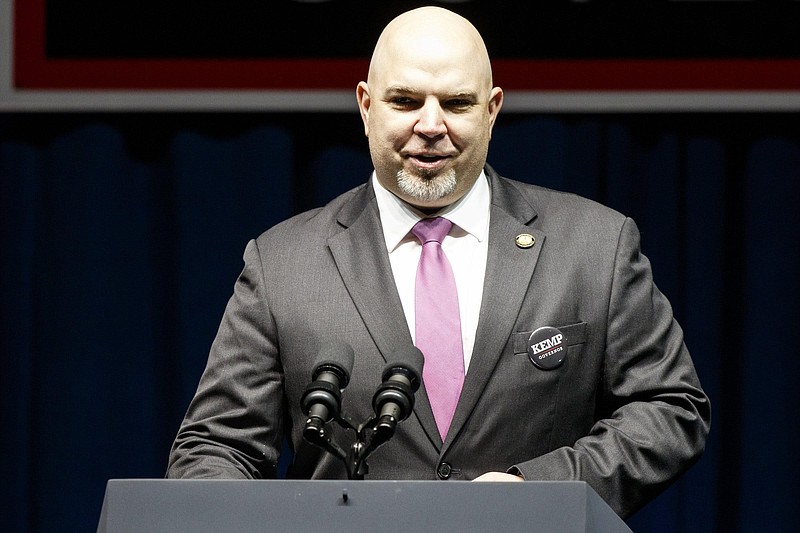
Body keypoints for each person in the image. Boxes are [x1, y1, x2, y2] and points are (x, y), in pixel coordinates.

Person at [167, 6, 710, 518]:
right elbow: (216, 445)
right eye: (405, 101)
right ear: (365, 105)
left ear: (492, 109)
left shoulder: (595, 245)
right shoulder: (284, 263)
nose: (431, 125)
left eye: (456, 104)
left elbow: (670, 408)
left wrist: (538, 490)